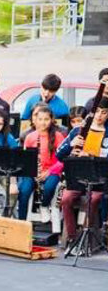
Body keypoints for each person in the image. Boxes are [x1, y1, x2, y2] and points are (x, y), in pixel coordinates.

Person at [56, 94, 108, 246]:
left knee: (94, 199)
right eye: (97, 111)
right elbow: (59, 155)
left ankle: (88, 234)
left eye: (104, 112)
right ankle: (72, 237)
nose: (100, 116)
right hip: (78, 178)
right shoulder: (78, 130)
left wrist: (92, 154)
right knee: (66, 199)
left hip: (100, 179)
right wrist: (72, 144)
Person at [17, 104, 65, 221]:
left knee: (49, 186)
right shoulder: (30, 137)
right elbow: (25, 159)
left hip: (52, 171)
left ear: (52, 120)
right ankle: (21, 222)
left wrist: (48, 172)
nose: (43, 123)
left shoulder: (58, 136)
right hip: (33, 171)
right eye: (40, 119)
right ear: (35, 120)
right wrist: (34, 173)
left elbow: (63, 160)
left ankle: (44, 206)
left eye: (46, 119)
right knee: (24, 191)